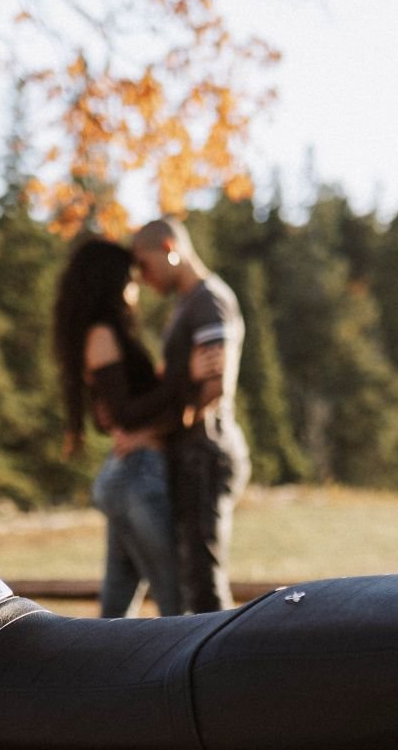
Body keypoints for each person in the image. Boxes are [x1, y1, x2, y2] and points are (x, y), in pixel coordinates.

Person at [51, 238, 184, 617]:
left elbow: (105, 415)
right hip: (137, 477)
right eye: (130, 280)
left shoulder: (100, 334)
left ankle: (97, 659)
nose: (136, 288)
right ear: (112, 284)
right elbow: (123, 413)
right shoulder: (103, 335)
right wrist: (179, 380)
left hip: (127, 475)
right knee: (176, 598)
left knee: (116, 607)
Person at [126, 216, 250, 613]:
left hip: (206, 454)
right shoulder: (188, 304)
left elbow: (215, 388)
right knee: (190, 579)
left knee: (204, 582)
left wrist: (152, 433)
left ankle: (224, 655)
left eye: (144, 265)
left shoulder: (209, 301)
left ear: (169, 249)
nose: (143, 278)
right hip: (190, 455)